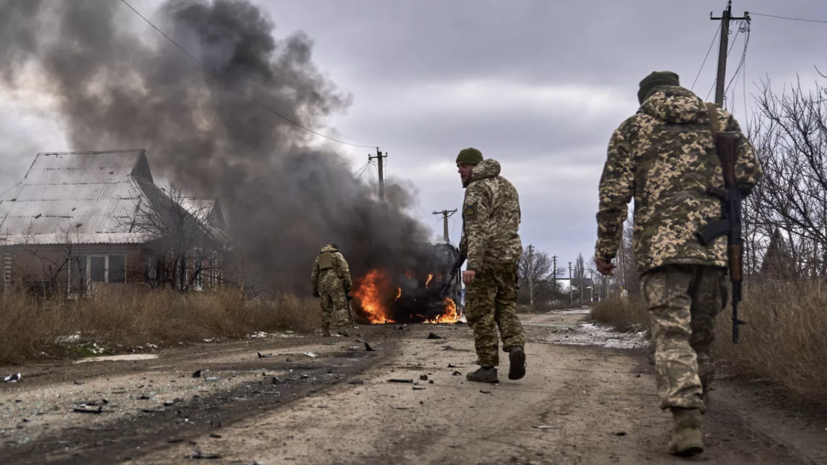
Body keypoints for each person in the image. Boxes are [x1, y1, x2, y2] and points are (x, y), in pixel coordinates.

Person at [594, 71, 762, 456]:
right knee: (700, 338)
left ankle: (687, 422)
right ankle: (697, 409)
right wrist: (717, 193)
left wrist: (606, 250)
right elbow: (751, 174)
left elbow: (613, 196)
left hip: (661, 252)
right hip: (715, 249)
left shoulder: (633, 128)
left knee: (671, 335)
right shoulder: (718, 119)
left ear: (645, 98)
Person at [456, 147, 526, 384]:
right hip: (509, 258)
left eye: (463, 165)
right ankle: (515, 346)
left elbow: (476, 229)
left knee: (481, 313)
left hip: (485, 260)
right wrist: (461, 252)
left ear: (475, 166)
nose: (459, 170)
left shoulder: (477, 189)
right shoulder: (507, 186)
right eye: (458, 166)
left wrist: (471, 264)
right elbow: (514, 221)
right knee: (506, 306)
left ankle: (487, 367)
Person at [310, 243, 353, 337]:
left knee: (326, 309)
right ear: (335, 248)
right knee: (341, 306)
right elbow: (345, 270)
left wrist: (315, 290)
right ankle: (342, 328)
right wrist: (348, 284)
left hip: (323, 286)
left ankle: (325, 331)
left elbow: (314, 276)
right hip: (336, 285)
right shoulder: (337, 255)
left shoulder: (319, 258)